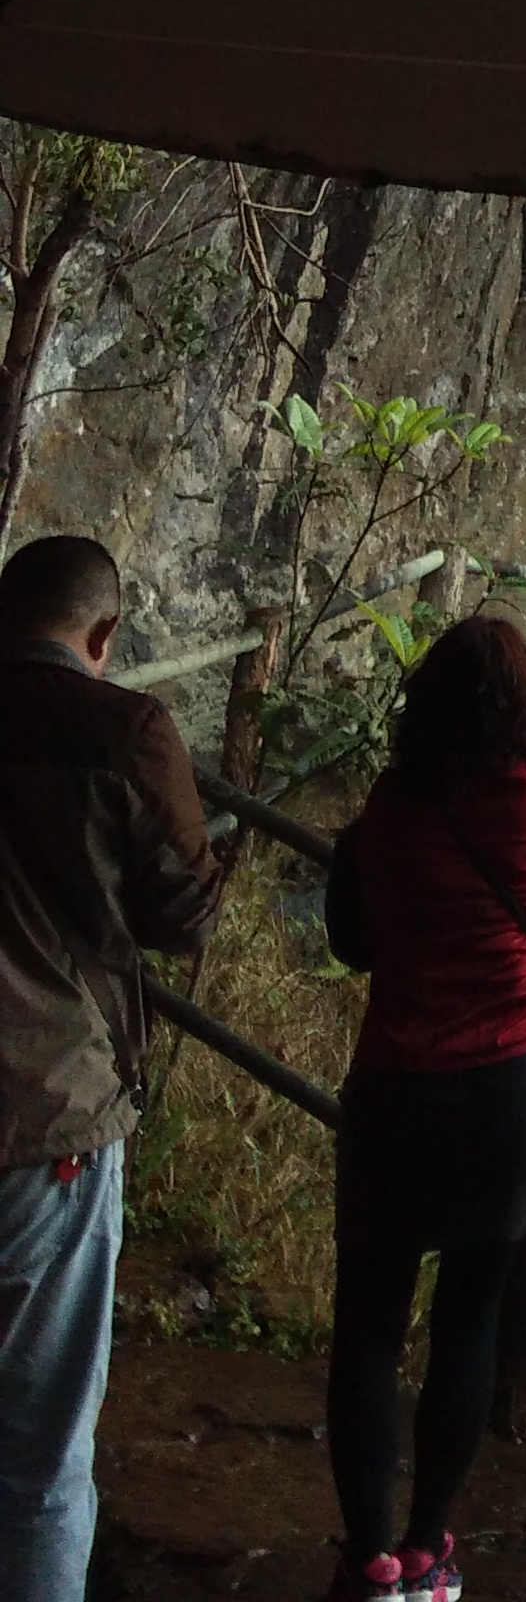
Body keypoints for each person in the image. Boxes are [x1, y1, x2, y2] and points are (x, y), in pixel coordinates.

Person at [318, 616, 526, 1602]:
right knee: (470, 1315)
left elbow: (354, 941)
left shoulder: (392, 809)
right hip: (510, 1093)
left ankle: (367, 1561)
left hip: (397, 1086)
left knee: (367, 1323)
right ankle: (429, 1552)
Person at [0, 532, 223, 1602]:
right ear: (104, 634)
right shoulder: (124, 730)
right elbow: (188, 915)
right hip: (49, 1119)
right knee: (40, 1454)